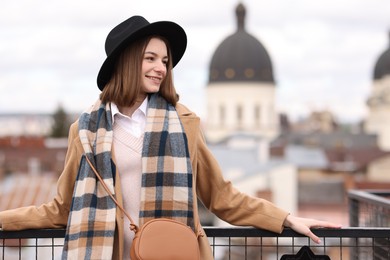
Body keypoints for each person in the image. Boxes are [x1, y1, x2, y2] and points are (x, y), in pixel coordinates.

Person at [0, 15, 341, 259]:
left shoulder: (184, 124)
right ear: (126, 62)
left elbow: (222, 197)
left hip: (170, 253)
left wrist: (286, 219)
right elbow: (60, 209)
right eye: (150, 58)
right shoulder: (85, 131)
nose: (160, 68)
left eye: (165, 60)